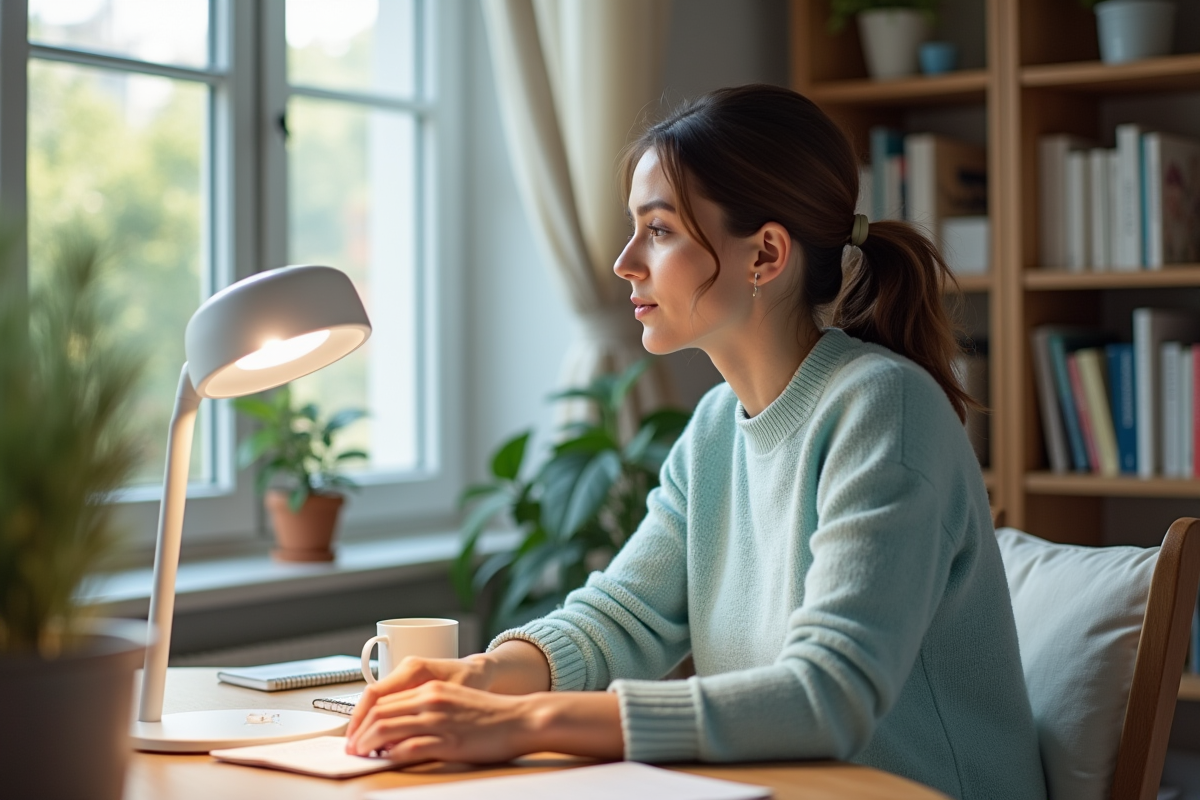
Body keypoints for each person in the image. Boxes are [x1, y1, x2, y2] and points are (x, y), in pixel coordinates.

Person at [345, 84, 1046, 799]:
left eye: (659, 230)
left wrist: (526, 721)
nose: (624, 262)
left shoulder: (883, 410)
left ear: (766, 255)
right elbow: (624, 614)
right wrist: (483, 676)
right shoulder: (715, 425)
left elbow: (825, 697)